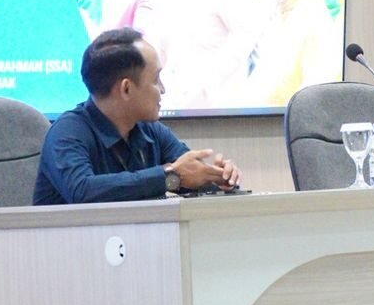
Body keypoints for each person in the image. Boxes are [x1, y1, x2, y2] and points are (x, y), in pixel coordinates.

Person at [34, 27, 241, 204]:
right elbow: (83, 191)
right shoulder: (67, 132)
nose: (163, 89)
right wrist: (169, 176)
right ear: (126, 89)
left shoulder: (152, 132)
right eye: (156, 79)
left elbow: (186, 174)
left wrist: (218, 179)